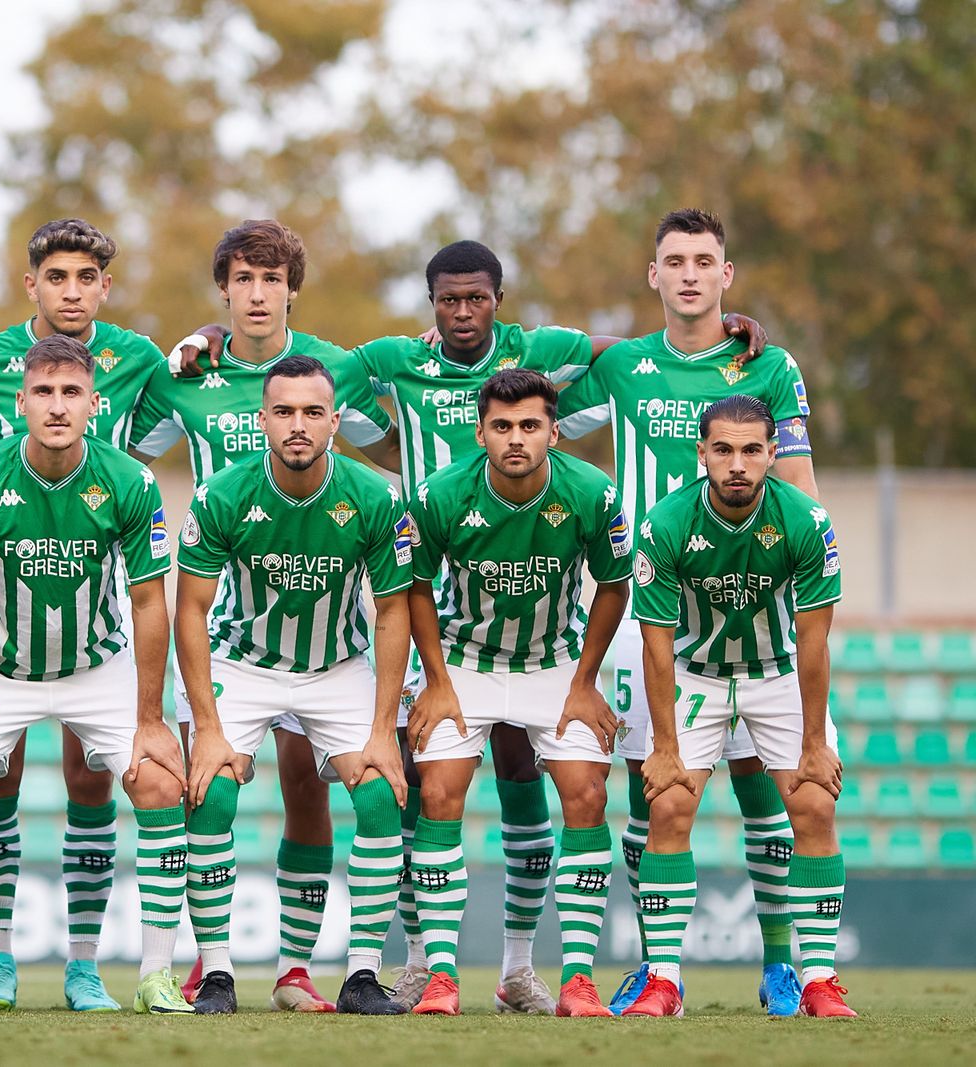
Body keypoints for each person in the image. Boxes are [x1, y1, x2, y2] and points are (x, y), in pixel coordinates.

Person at [173, 238, 767, 1011]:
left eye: (476, 297)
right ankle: (421, 959)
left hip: (539, 625)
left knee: (534, 776)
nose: (462, 311)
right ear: (431, 306)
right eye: (448, 299)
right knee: (421, 785)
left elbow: (622, 354)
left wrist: (717, 334)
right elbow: (295, 372)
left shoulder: (537, 356)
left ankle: (526, 966)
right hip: (436, 603)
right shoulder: (390, 361)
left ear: (496, 299)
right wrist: (214, 338)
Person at [130, 219, 402, 1011]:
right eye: (243, 280)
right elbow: (119, 445)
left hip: (331, 638)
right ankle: (213, 967)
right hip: (234, 636)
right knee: (210, 787)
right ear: (224, 289)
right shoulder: (188, 372)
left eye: (271, 280)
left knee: (349, 792)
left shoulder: (337, 374)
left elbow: (394, 450)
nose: (257, 294)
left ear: (291, 288)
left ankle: (326, 972)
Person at [558, 209, 820, 1015]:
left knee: (761, 787)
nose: (690, 274)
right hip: (655, 612)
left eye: (705, 260)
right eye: (675, 260)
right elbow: (520, 402)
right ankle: (654, 966)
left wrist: (803, 567)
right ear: (654, 276)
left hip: (750, 610)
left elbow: (804, 484)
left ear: (726, 275)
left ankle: (782, 964)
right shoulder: (624, 365)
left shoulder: (768, 365)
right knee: (654, 790)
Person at [0, 218, 165, 1010]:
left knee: (93, 784)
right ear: (31, 281)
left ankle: (86, 963)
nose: (71, 290)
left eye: (85, 277)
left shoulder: (140, 358)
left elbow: (216, 393)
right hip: (2, 634)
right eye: (55, 276)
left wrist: (207, 339)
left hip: (95, 635)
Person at [176, 353, 411, 1016]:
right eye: (284, 412)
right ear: (263, 420)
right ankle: (217, 974)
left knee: (379, 799)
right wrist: (210, 727)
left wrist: (380, 731)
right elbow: (189, 608)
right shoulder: (223, 492)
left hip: (336, 666)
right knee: (212, 795)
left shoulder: (373, 496)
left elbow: (393, 609)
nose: (298, 425)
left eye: (313, 412)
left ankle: (361, 973)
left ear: (336, 420)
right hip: (242, 663)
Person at [403, 369, 631, 1017]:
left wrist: (586, 682)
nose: (515, 438)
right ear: (480, 432)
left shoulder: (591, 491)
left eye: (530, 425)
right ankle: (443, 976)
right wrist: (438, 681)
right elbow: (414, 585)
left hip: (555, 663)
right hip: (464, 664)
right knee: (441, 790)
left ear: (553, 432)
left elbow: (614, 584)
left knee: (587, 793)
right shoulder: (442, 493)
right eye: (501, 426)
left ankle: (577, 979)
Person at [621, 395, 852, 1019]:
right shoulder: (665, 524)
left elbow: (814, 639)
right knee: (667, 806)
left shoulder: (806, 520)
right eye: (723, 450)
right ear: (702, 454)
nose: (738, 464)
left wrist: (811, 743)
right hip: (696, 676)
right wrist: (665, 749)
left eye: (752, 450)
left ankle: (821, 981)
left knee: (813, 804)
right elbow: (656, 646)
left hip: (776, 675)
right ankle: (665, 982)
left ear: (773, 454)